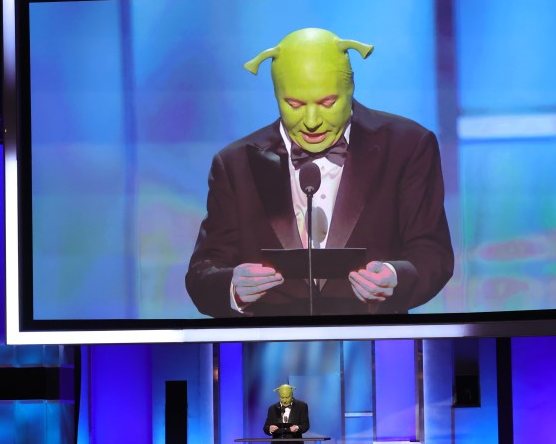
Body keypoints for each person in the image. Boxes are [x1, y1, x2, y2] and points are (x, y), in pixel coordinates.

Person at [185, 27, 454, 318]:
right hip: (269, 350)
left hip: (378, 347)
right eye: (295, 105)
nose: (312, 121)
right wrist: (232, 287)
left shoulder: (408, 146)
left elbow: (433, 254)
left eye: (327, 103)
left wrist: (395, 277)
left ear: (350, 90)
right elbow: (202, 272)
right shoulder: (235, 163)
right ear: (277, 96)